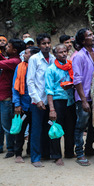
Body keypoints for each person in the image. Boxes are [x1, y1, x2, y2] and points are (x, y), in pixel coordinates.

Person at [45, 44, 76, 166]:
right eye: (60, 52)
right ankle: (57, 155)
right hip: (58, 102)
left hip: (70, 101)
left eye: (65, 51)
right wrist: (52, 109)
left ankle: (69, 151)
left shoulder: (70, 66)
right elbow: (48, 90)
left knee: (70, 128)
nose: (63, 54)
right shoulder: (51, 69)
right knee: (56, 129)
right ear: (55, 54)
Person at [27, 33, 55, 167]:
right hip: (37, 101)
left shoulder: (53, 59)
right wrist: (37, 100)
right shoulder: (34, 59)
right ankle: (35, 157)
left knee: (47, 128)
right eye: (44, 44)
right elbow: (30, 81)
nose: (47, 46)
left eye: (48, 43)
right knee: (36, 130)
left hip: (50, 100)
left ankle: (46, 153)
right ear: (38, 45)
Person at [73, 28, 94, 166]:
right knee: (81, 126)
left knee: (93, 124)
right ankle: (79, 153)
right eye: (89, 35)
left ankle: (89, 148)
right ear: (83, 41)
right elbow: (77, 80)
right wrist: (83, 100)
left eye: (92, 34)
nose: (93, 36)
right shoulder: (79, 56)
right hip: (83, 97)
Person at [13, 46, 40, 163]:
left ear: (33, 56)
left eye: (26, 53)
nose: (23, 55)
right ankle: (18, 153)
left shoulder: (38, 67)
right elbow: (15, 88)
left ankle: (30, 151)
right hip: (23, 106)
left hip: (36, 105)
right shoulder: (20, 67)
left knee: (34, 130)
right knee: (21, 130)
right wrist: (17, 104)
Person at [0, 39, 25, 158]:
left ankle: (11, 148)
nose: (5, 48)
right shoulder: (10, 60)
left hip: (7, 98)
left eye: (8, 46)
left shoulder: (15, 61)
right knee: (2, 124)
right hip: (2, 97)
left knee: (7, 125)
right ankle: (2, 146)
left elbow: (1, 63)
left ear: (14, 50)